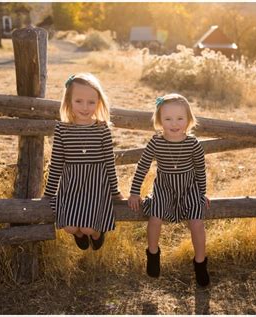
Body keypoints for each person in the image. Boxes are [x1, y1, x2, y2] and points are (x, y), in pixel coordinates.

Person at [128, 93, 211, 286]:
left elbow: (200, 169)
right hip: (164, 188)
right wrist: (134, 192)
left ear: (189, 120)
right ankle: (153, 254)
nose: (174, 123)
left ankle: (200, 263)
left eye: (180, 118)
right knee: (155, 219)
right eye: (168, 119)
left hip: (189, 188)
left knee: (197, 223)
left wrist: (201, 193)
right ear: (159, 120)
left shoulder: (193, 144)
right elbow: (142, 166)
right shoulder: (156, 142)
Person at [43, 73, 122, 251]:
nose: (85, 107)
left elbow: (110, 163)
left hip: (96, 186)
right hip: (72, 186)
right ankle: (79, 235)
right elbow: (56, 163)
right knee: (70, 228)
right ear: (68, 101)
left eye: (91, 102)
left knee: (88, 227)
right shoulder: (62, 129)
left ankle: (97, 234)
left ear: (99, 103)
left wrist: (115, 192)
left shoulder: (101, 129)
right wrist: (49, 193)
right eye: (79, 101)